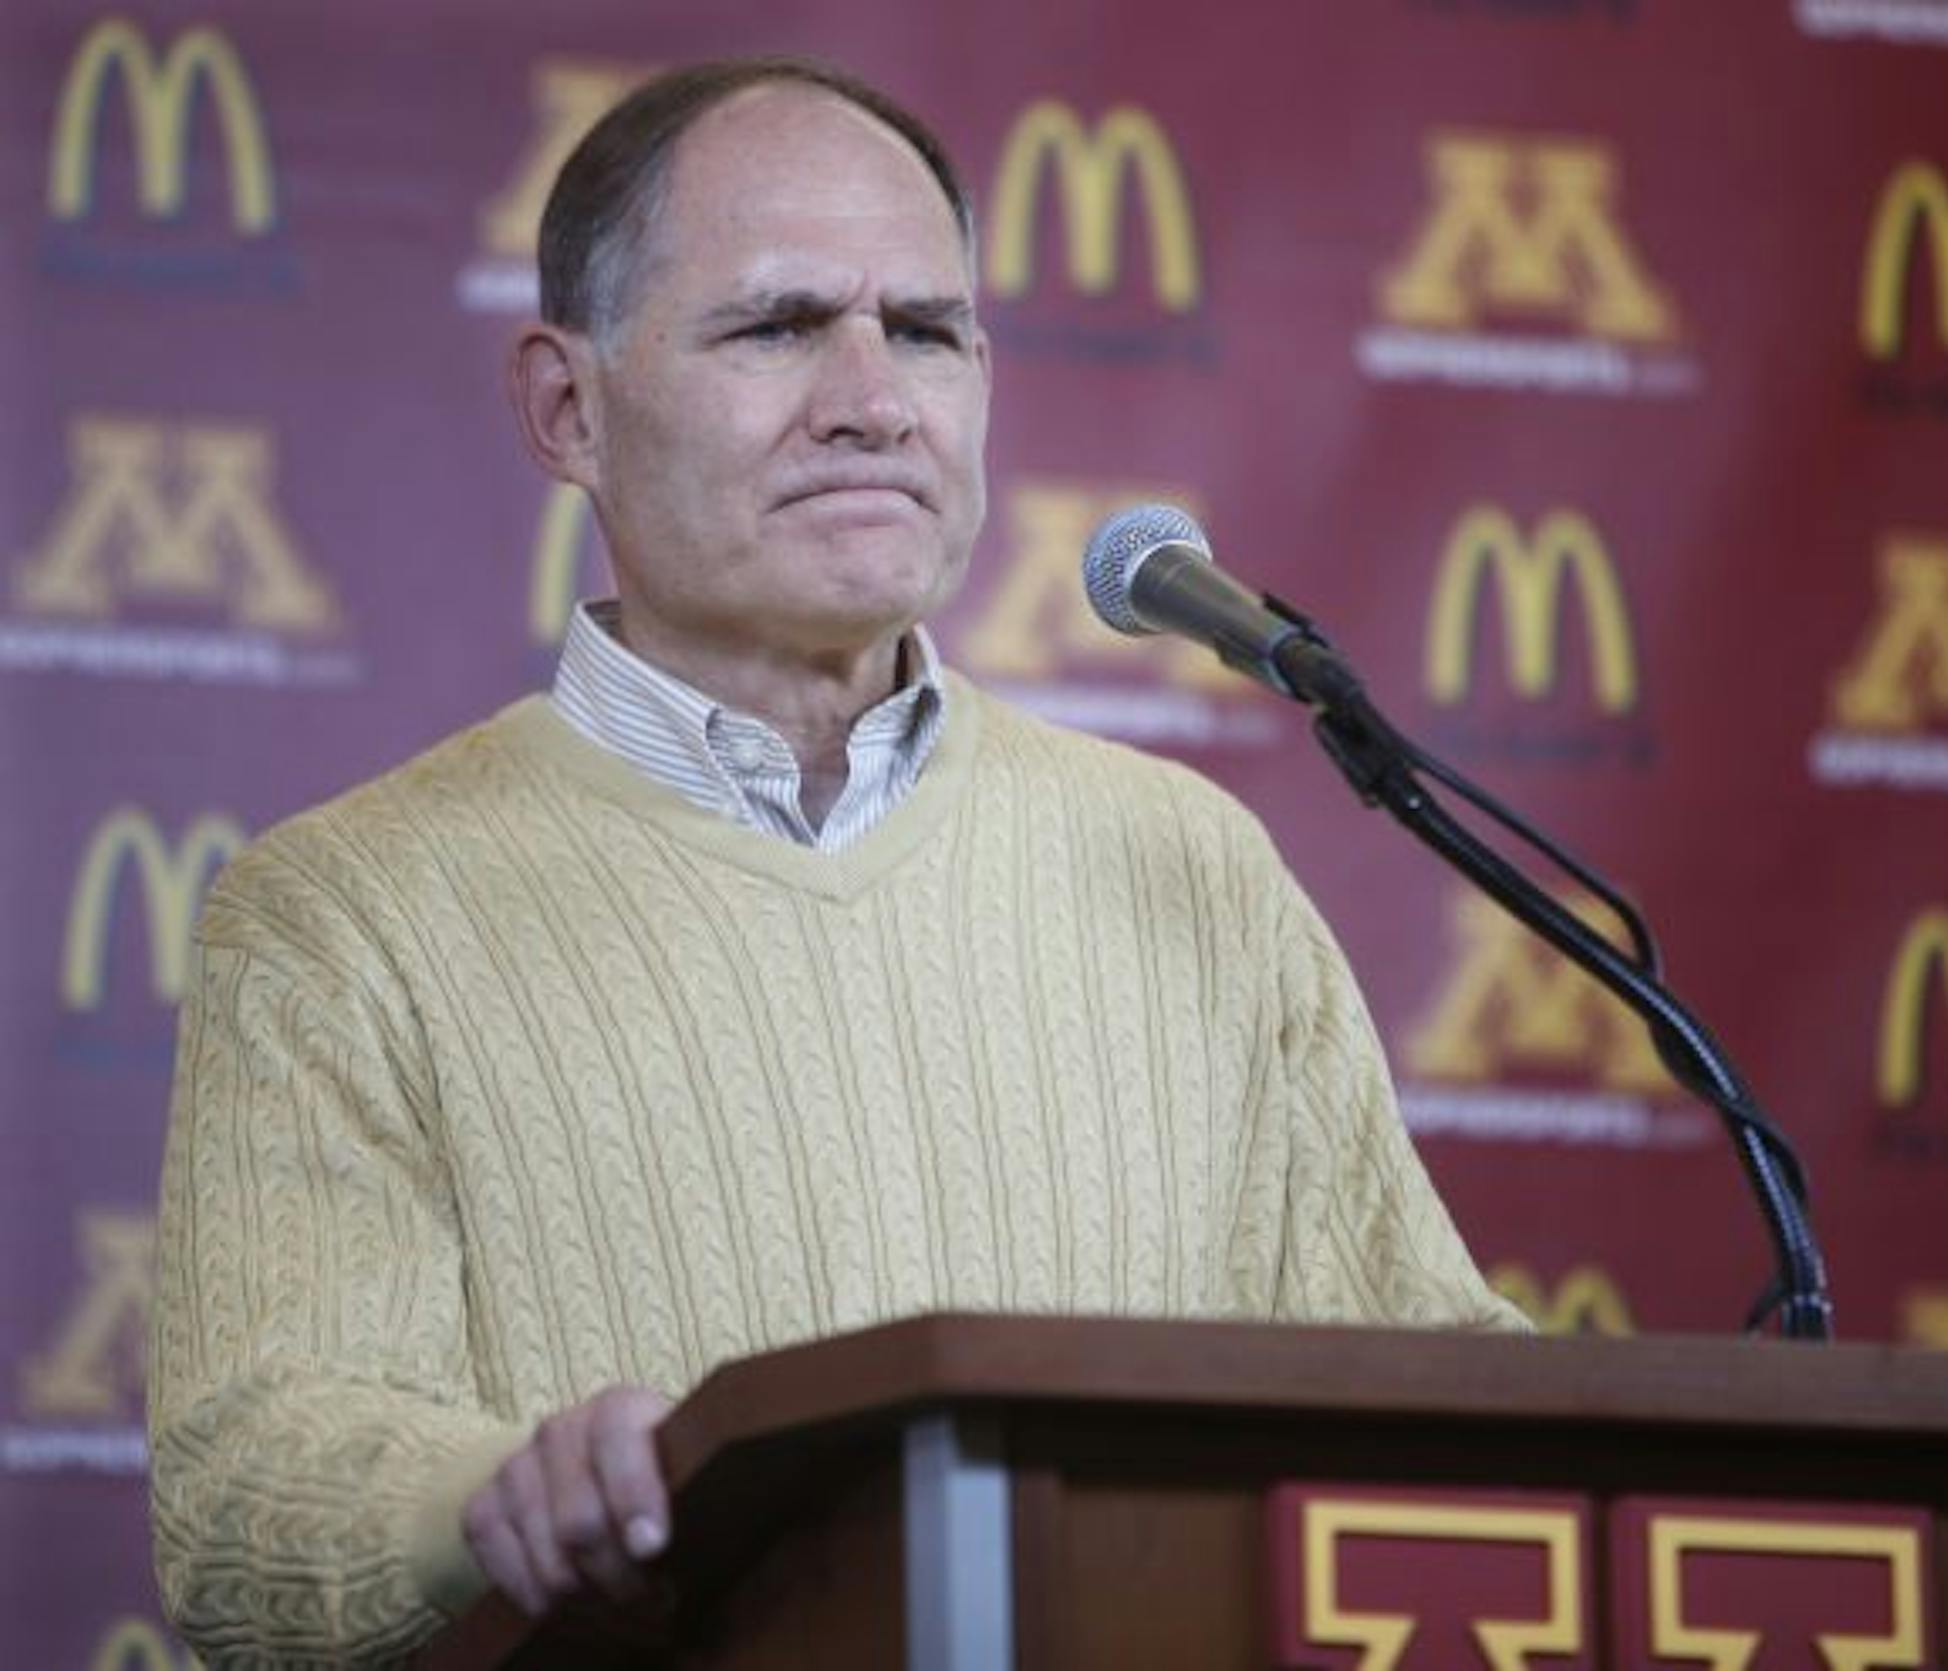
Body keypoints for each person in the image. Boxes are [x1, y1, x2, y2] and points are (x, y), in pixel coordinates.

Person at [149, 57, 1526, 1665]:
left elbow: (1435, 1408)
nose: (874, 400)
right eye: (780, 326)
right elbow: (247, 1506)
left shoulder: (1187, 863)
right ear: (567, 408)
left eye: (925, 331)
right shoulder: (342, 915)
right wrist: (497, 1498)